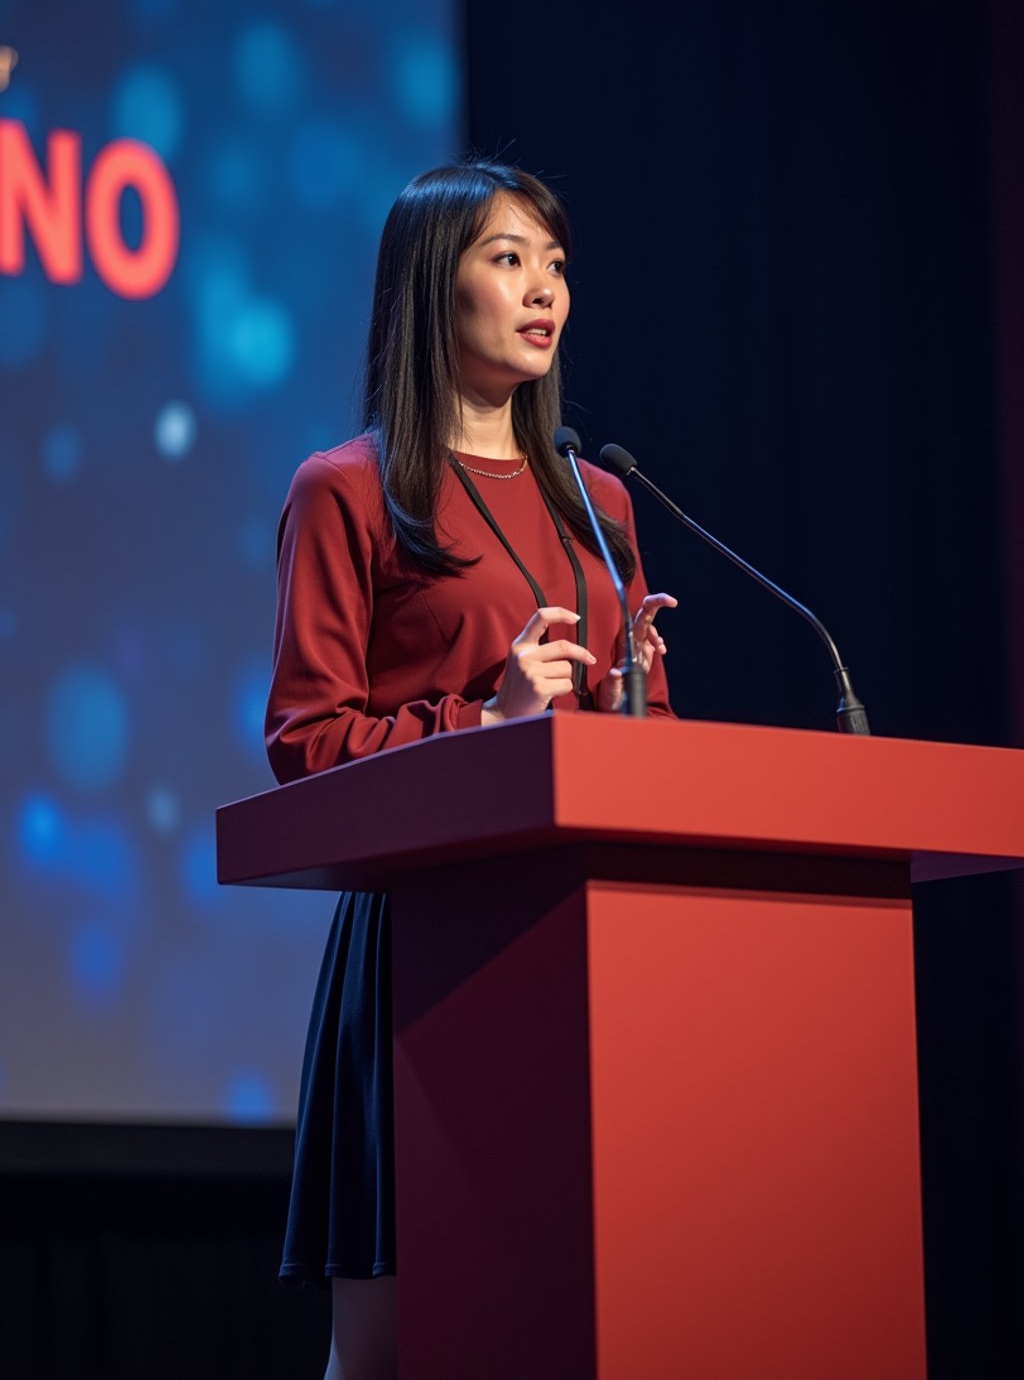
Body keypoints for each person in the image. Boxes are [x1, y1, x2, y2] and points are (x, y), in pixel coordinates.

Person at [265, 160, 676, 1380]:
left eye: (555, 264)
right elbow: (306, 745)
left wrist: (633, 697)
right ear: (426, 288)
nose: (543, 289)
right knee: (393, 1351)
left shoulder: (602, 500)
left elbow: (610, 747)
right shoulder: (349, 490)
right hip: (426, 948)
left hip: (591, 931)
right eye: (507, 259)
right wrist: (478, 724)